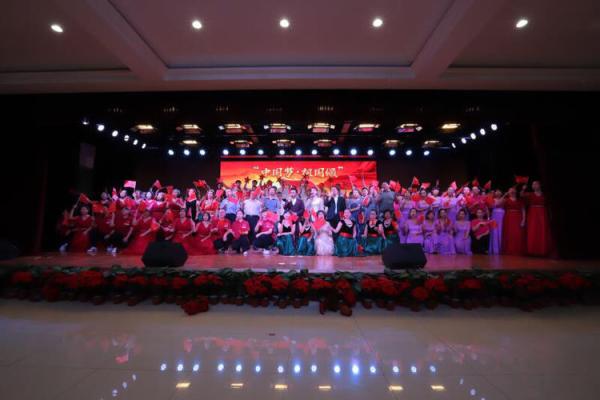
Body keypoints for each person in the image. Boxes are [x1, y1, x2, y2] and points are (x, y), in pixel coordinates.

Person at [522, 181, 552, 256]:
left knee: (542, 231)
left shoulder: (544, 195)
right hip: (533, 215)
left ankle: (542, 250)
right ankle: (532, 250)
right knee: (533, 230)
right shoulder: (530, 194)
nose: (534, 185)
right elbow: (521, 195)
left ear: (540, 185)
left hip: (542, 214)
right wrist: (523, 189)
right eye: (533, 184)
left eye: (535, 184)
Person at [502, 187, 526, 255]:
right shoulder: (506, 200)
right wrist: (504, 195)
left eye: (513, 190)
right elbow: (498, 204)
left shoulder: (520, 200)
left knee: (517, 234)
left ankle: (518, 249)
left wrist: (523, 220)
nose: (512, 191)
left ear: (516, 191)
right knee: (509, 233)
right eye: (510, 190)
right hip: (508, 218)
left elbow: (523, 210)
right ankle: (509, 249)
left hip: (518, 218)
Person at [488, 189, 505, 254]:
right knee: (494, 230)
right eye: (496, 191)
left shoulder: (504, 199)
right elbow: (495, 205)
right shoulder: (492, 199)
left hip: (502, 214)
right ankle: (495, 249)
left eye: (499, 191)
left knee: (501, 230)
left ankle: (501, 248)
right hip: (494, 215)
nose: (498, 192)